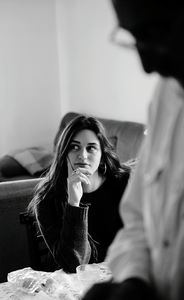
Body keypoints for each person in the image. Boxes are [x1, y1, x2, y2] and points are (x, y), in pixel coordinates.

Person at [82, 0, 184, 300]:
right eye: (135, 37)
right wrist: (134, 282)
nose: (147, 65)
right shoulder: (167, 94)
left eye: (157, 32)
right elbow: (139, 218)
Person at [28, 114, 131, 273]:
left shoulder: (124, 182)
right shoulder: (47, 199)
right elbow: (73, 264)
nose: (83, 155)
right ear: (64, 154)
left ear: (102, 156)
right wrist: (74, 204)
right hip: (77, 287)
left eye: (91, 148)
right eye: (74, 147)